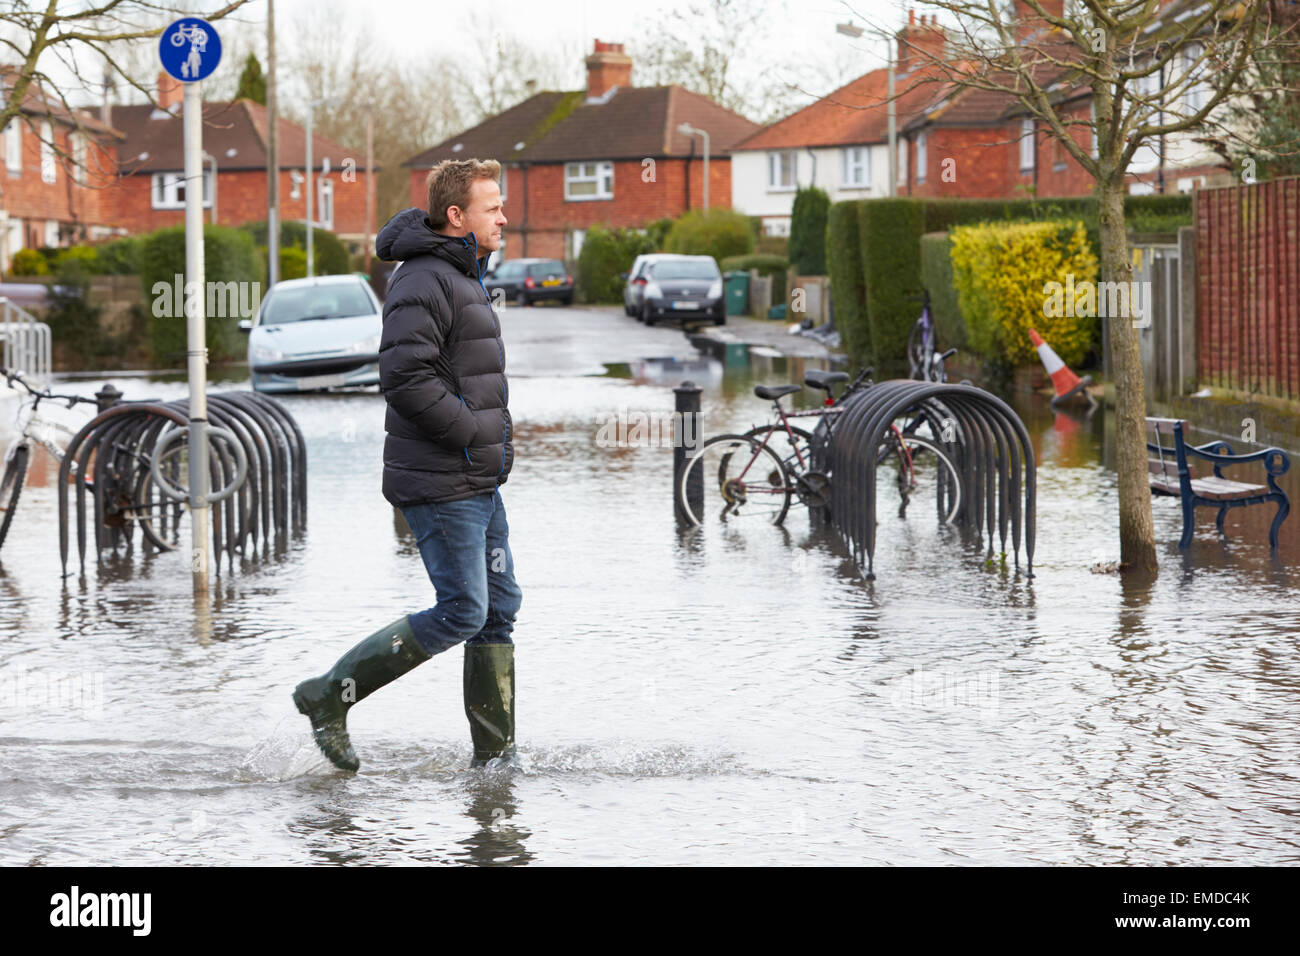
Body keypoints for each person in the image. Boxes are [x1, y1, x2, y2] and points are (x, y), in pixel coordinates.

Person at [292, 158, 520, 772]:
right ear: (457, 216)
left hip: (477, 477)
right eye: (492, 206)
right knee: (463, 610)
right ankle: (329, 695)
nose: (504, 216)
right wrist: (473, 433)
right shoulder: (424, 278)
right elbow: (405, 376)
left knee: (498, 611)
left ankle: (496, 762)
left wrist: (489, 447)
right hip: (443, 478)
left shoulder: (461, 273)